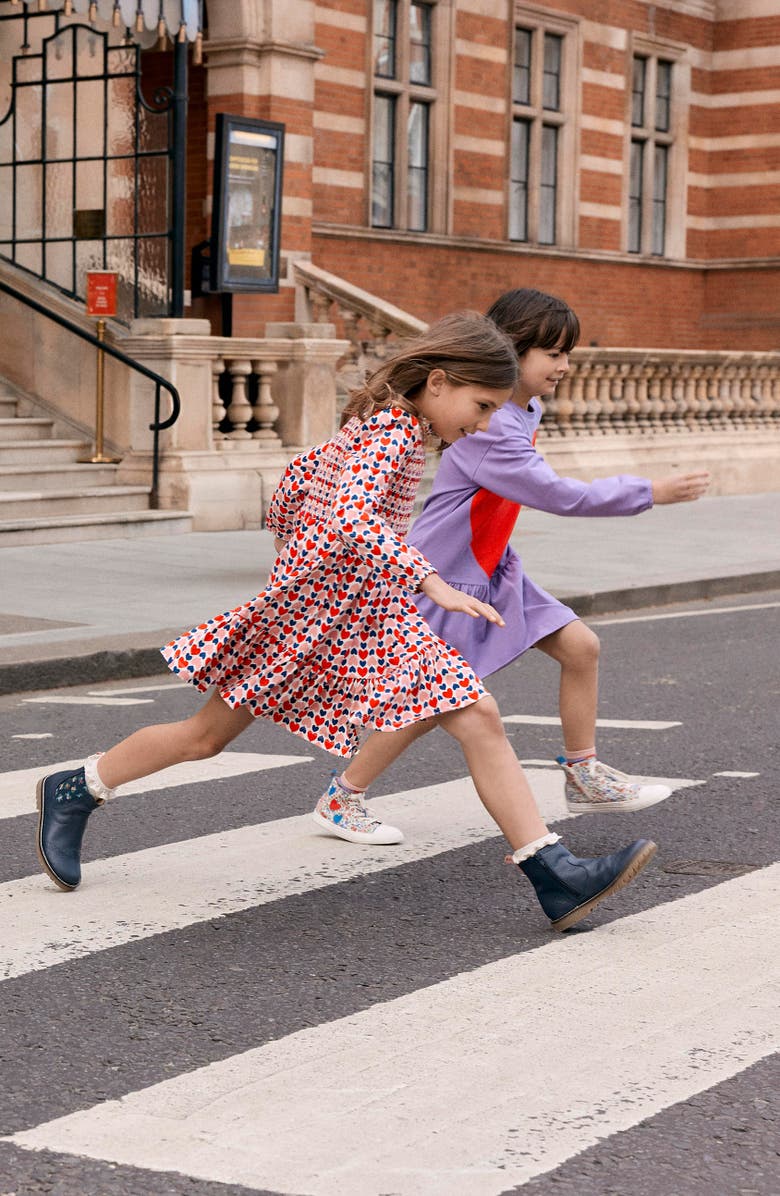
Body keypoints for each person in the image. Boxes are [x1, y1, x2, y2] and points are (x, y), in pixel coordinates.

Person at [36, 310, 654, 933]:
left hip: (362, 610)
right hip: (324, 612)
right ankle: (75, 787)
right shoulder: (392, 433)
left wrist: (295, 550)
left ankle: (554, 875)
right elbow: (353, 517)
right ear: (438, 382)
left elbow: (297, 487)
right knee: (204, 738)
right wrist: (428, 578)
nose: (486, 421)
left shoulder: (388, 424)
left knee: (477, 714)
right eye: (483, 404)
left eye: (495, 410)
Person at [310, 288, 710, 846]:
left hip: (495, 570)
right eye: (554, 354)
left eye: (567, 353)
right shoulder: (493, 427)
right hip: (448, 576)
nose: (565, 367)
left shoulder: (521, 409)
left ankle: (583, 773)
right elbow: (556, 494)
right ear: (513, 351)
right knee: (429, 704)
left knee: (581, 647)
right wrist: (651, 490)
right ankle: (342, 797)